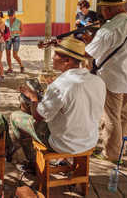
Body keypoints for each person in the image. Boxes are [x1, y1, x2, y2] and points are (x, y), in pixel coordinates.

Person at [11, 37, 105, 169]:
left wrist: (33, 97)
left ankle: (33, 164)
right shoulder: (97, 81)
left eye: (56, 54)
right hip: (89, 141)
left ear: (67, 60)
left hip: (63, 144)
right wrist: (52, 89)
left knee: (16, 117)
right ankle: (60, 160)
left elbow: (38, 116)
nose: (53, 57)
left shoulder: (61, 85)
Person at [85, 0, 127, 163]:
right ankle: (119, 147)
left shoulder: (109, 29)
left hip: (114, 79)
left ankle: (111, 154)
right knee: (124, 116)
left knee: (112, 117)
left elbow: (89, 53)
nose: (102, 11)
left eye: (103, 8)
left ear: (109, 10)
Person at [5, 9, 24, 74]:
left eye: (11, 15)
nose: (10, 17)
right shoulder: (6, 21)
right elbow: (5, 30)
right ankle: (10, 68)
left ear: (14, 14)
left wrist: (16, 31)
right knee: (7, 54)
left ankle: (21, 66)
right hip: (8, 38)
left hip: (16, 38)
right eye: (9, 16)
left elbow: (22, 31)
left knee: (15, 55)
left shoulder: (19, 21)